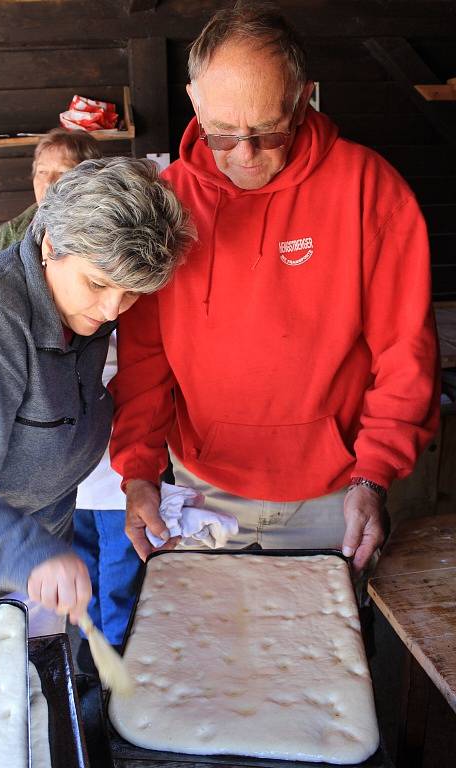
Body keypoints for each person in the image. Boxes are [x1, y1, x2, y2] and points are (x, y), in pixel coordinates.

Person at [110, 2, 439, 575]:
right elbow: (144, 356)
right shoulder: (164, 203)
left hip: (334, 494)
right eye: (223, 134)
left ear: (303, 97)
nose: (245, 155)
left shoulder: (370, 189)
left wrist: (373, 475)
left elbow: (405, 351)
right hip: (200, 488)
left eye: (268, 132)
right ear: (194, 101)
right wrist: (139, 470)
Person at [0, 157, 194, 636]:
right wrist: (30, 556)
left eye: (130, 292)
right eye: (98, 283)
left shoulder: (79, 311)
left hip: (31, 573)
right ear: (51, 245)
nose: (112, 308)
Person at [0, 129, 141, 649]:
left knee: (114, 567)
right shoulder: (4, 259)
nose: (50, 185)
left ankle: (106, 659)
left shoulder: (112, 250)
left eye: (63, 173)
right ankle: (89, 657)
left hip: (104, 442)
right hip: (40, 457)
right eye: (42, 173)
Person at [0, 127, 101, 258]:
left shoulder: (106, 233)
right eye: (42, 172)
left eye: (63, 172)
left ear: (89, 178)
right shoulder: (6, 236)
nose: (48, 182)